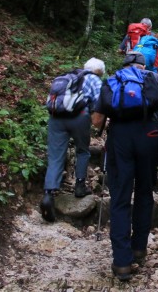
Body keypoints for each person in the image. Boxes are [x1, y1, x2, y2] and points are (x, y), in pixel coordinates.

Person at [90, 52, 158, 281]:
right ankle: (139, 249)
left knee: (120, 198)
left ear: (124, 65)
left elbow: (97, 122)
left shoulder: (112, 81)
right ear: (143, 65)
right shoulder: (151, 77)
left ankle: (121, 263)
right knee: (143, 193)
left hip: (119, 140)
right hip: (148, 136)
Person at [40, 57, 106, 223]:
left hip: (56, 118)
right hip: (79, 117)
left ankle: (49, 194)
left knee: (55, 156)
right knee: (82, 150)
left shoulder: (69, 76)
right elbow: (99, 104)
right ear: (100, 71)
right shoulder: (95, 80)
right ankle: (79, 186)